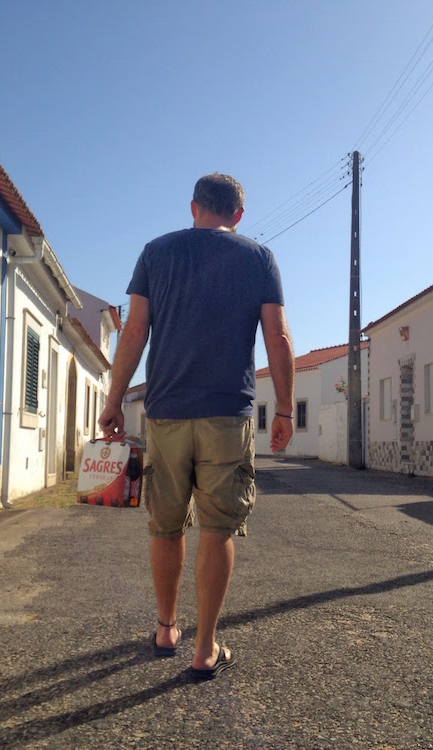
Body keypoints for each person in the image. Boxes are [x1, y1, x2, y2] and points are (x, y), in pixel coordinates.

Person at [98, 173, 295, 680]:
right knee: (218, 526)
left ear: (193, 208)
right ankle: (204, 648)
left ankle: (166, 628)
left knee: (165, 526)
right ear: (239, 215)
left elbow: (135, 332)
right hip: (228, 414)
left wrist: (115, 399)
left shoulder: (155, 253)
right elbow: (278, 336)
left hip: (164, 411)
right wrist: (287, 411)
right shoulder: (258, 258)